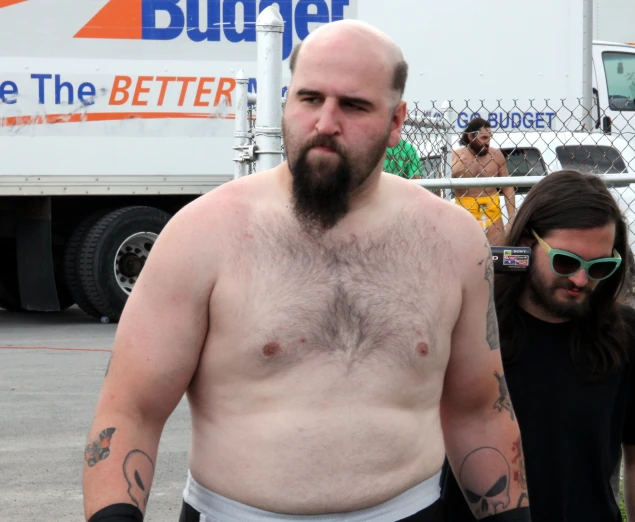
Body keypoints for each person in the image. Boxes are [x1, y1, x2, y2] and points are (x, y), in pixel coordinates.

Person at [81, 20, 531, 522]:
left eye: (354, 105)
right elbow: (130, 412)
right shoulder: (202, 234)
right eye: (309, 98)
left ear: (397, 120)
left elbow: (479, 410)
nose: (325, 122)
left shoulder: (451, 241)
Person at [442, 170, 635, 522]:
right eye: (565, 261)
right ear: (525, 244)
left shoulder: (625, 334)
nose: (581, 279)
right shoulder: (469, 324)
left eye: (600, 266)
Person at [452, 118, 517, 245]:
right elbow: (439, 188)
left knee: (497, 255)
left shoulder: (496, 155)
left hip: (493, 214)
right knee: (467, 255)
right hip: (465, 214)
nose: (487, 142)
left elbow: (508, 187)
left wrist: (511, 218)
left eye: (489, 138)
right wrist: (454, 171)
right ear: (471, 137)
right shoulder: (456, 156)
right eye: (484, 138)